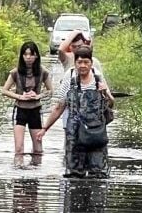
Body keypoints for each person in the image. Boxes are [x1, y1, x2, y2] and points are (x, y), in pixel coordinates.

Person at [37, 46, 114, 178]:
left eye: (86, 62)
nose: (83, 66)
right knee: (74, 175)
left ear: (91, 63)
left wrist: (105, 93)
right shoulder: (69, 77)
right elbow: (60, 106)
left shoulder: (98, 78)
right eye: (79, 62)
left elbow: (111, 104)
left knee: (99, 175)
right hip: (74, 134)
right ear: (75, 63)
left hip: (96, 133)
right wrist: (45, 128)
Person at [2, 41, 53, 157]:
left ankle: (36, 171)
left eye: (31, 54)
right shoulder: (15, 72)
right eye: (25, 54)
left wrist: (38, 96)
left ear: (36, 56)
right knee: (19, 149)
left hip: (35, 110)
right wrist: (20, 97)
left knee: (38, 149)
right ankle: (18, 169)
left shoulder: (43, 71)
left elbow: (50, 90)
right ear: (22, 56)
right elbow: (4, 91)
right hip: (20, 109)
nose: (28, 57)